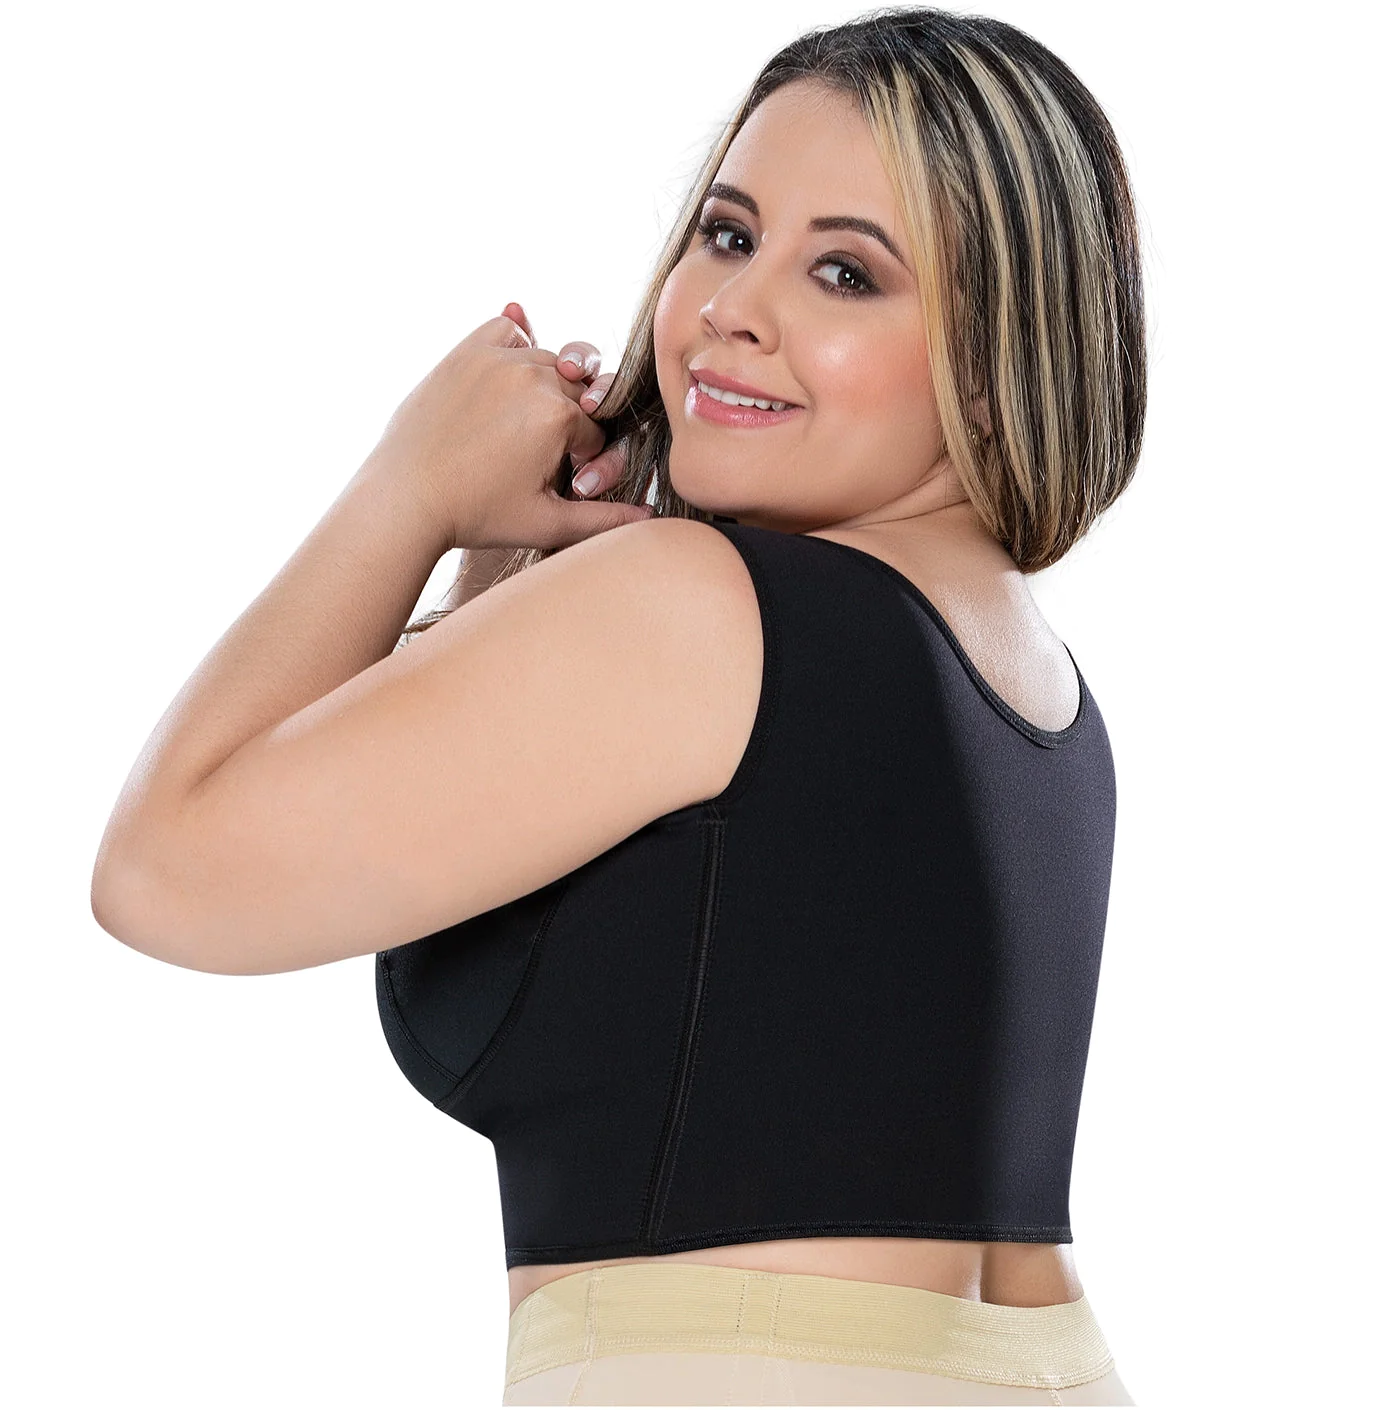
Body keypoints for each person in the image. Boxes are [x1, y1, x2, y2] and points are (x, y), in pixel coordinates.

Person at [91, 6, 1145, 1405]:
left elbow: (162, 869)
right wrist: (498, 568)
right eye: (727, 233)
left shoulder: (697, 608)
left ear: (1003, 364)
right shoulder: (1030, 688)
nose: (732, 308)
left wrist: (409, 486)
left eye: (844, 272)